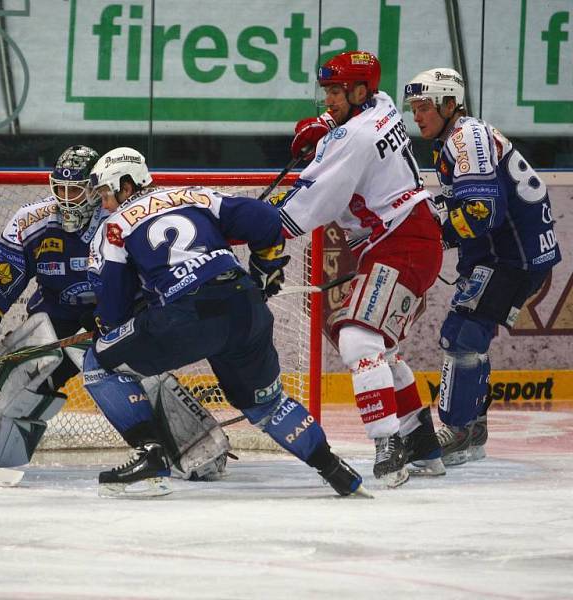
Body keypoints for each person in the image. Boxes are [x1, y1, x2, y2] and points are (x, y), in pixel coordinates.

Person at [0, 146, 227, 477]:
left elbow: (158, 276)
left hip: (120, 315)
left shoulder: (124, 218)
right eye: (59, 188)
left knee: (140, 373)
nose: (66, 198)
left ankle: (197, 449)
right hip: (54, 318)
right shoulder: (31, 222)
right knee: (13, 373)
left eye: (75, 190)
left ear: (95, 187)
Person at [81, 146, 369, 499]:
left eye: (107, 194)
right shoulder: (194, 195)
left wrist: (116, 321)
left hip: (190, 317)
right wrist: (265, 266)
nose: (105, 204)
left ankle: (151, 455)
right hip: (245, 306)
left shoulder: (115, 226)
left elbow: (112, 312)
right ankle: (335, 470)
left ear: (126, 185)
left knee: (99, 363)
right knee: (268, 404)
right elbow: (266, 219)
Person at [276, 50, 446, 488]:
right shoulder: (383, 104)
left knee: (357, 337)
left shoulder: (354, 137)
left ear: (358, 90)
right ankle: (423, 446)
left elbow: (307, 206)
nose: (329, 100)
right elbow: (348, 132)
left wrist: (247, 227)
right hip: (405, 237)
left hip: (402, 239)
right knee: (377, 347)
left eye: (336, 91)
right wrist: (327, 130)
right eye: (327, 91)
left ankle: (388, 444)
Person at [403, 68, 561, 465]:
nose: (417, 116)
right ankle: (471, 427)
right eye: (414, 108)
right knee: (469, 333)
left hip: (513, 258)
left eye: (424, 107)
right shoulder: (459, 137)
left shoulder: (465, 138)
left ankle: (458, 430)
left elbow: (481, 211)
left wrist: (439, 234)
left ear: (449, 104)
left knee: (461, 334)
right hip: (509, 255)